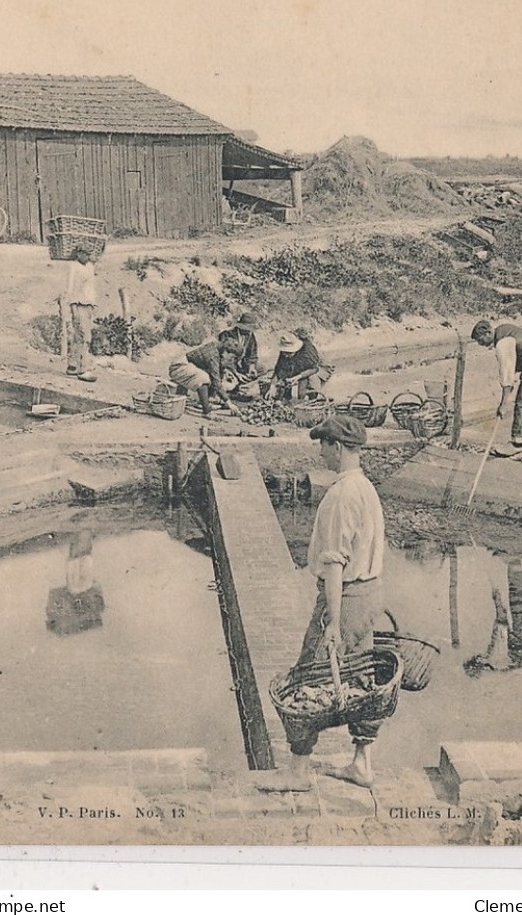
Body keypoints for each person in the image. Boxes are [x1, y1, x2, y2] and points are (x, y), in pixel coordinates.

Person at [257, 414, 386, 792]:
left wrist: (331, 619)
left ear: (338, 447)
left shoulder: (341, 495)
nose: (321, 452)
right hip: (369, 593)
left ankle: (298, 771)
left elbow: (333, 563)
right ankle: (361, 763)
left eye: (324, 445)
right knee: (364, 682)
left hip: (345, 598)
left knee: (306, 679)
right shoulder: (366, 487)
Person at [471, 319, 522, 458]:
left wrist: (503, 404)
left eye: (480, 340)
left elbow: (507, 376)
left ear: (488, 332)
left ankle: (518, 443)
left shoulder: (503, 343)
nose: (480, 344)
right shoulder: (504, 329)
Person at [464, 558, 522, 676]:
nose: (477, 656)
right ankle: (514, 559)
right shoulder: (493, 660)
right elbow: (501, 625)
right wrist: (497, 601)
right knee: (519, 597)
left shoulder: (492, 662)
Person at [169, 337, 241, 419]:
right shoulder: (212, 355)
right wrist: (229, 402)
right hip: (179, 367)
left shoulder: (218, 349)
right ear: (226, 352)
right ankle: (206, 412)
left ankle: (205, 401)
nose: (231, 360)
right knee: (204, 378)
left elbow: (218, 371)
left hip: (190, 365)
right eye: (231, 357)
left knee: (214, 374)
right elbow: (216, 380)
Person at [64, 247, 97, 383]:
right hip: (78, 304)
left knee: (79, 336)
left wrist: (93, 305)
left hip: (88, 304)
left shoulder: (90, 266)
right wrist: (73, 307)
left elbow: (91, 287)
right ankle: (83, 369)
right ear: (78, 254)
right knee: (84, 337)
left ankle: (73, 365)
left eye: (89, 254)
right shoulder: (74, 267)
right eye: (84, 254)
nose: (87, 257)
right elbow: (71, 288)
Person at [268, 331, 322, 401]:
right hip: (297, 369)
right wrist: (272, 386)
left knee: (302, 394)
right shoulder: (284, 354)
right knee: (283, 385)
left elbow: (314, 369)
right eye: (284, 352)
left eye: (289, 353)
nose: (286, 355)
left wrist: (298, 377)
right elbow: (278, 369)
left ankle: (312, 396)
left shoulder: (307, 353)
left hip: (312, 369)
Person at [218, 312, 259, 378]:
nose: (248, 331)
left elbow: (252, 354)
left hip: (243, 363)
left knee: (262, 369)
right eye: (246, 328)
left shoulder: (250, 335)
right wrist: (234, 371)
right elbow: (223, 358)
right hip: (227, 364)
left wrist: (251, 367)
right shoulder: (227, 334)